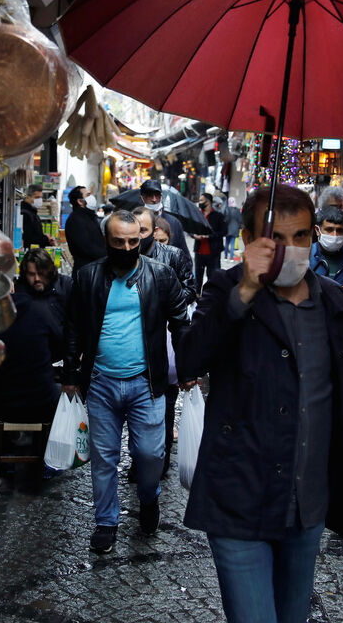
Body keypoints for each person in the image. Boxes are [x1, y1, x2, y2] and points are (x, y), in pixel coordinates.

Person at [177, 185, 343, 623]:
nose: (292, 249)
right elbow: (188, 360)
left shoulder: (335, 301)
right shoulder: (225, 289)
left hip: (307, 503)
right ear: (247, 238)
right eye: (277, 237)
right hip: (241, 499)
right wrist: (242, 291)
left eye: (301, 236)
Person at [65, 210, 192, 554]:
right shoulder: (88, 277)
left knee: (151, 454)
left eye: (134, 241)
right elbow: (74, 326)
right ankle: (106, 521)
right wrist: (72, 375)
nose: (127, 247)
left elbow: (181, 322)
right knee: (104, 458)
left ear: (142, 241)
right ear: (107, 241)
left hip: (146, 383)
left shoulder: (162, 276)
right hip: (102, 383)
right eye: (119, 241)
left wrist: (189, 368)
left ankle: (149, 498)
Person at [0, 249, 70, 458]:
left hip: (8, 397)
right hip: (35, 398)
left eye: (41, 273)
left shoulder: (56, 294)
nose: (37, 278)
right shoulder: (34, 309)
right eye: (31, 274)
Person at [132, 206, 195, 478]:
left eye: (143, 231)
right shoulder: (122, 258)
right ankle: (138, 459)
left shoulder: (173, 256)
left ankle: (162, 459)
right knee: (136, 409)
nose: (137, 237)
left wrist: (165, 297)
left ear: (154, 230)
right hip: (133, 346)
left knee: (165, 405)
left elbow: (191, 289)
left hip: (166, 342)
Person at [140, 179, 189, 256]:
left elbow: (185, 255)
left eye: (157, 195)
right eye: (150, 195)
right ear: (143, 198)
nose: (154, 199)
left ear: (161, 196)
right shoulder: (136, 222)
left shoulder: (174, 223)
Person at [65, 185, 107, 271]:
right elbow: (87, 248)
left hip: (95, 268)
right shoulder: (75, 220)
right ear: (80, 201)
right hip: (86, 270)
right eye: (88, 195)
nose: (91, 197)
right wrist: (107, 255)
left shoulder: (89, 216)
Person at [193, 192, 227, 294]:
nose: (199, 203)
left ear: (209, 202)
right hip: (199, 252)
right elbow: (191, 229)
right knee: (198, 277)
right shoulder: (197, 215)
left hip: (214, 252)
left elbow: (224, 231)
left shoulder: (218, 216)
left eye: (201, 200)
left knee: (213, 277)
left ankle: (210, 297)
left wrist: (209, 236)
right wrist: (194, 235)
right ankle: (197, 296)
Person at [20, 184, 52, 250]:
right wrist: (46, 239)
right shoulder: (24, 214)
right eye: (37, 197)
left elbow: (35, 233)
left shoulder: (33, 212)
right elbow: (28, 238)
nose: (40, 200)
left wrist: (44, 236)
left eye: (41, 197)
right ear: (28, 197)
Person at [224, 197, 243, 261]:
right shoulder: (237, 210)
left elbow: (225, 220)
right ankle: (231, 258)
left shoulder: (227, 209)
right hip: (235, 229)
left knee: (226, 243)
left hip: (227, 229)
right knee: (232, 244)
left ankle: (225, 257)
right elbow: (240, 220)